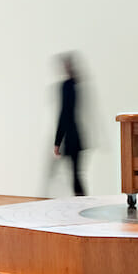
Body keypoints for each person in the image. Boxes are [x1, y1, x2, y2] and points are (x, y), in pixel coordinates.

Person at [53, 52, 86, 195]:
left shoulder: (67, 86)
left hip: (72, 137)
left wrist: (57, 142)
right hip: (77, 136)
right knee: (75, 175)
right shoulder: (77, 84)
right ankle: (82, 203)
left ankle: (81, 204)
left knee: (75, 176)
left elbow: (64, 113)